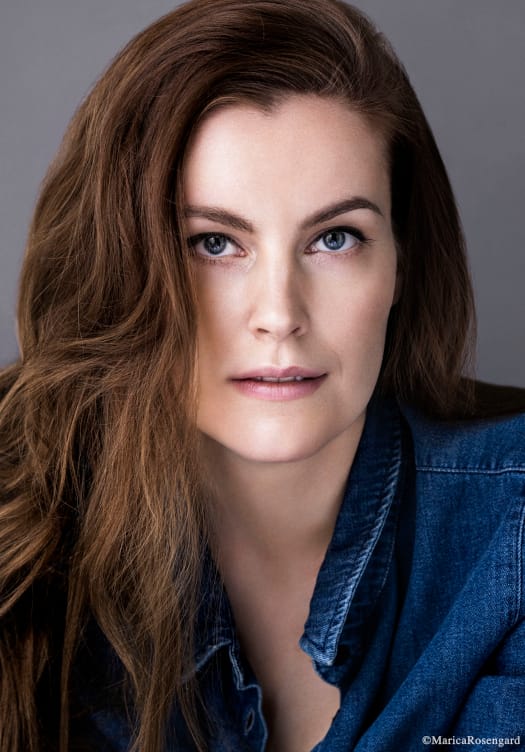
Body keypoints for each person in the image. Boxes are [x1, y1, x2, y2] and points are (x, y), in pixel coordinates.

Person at [0, 0, 524, 750]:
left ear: (402, 263)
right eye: (213, 243)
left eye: (335, 238)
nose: (279, 315)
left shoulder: (511, 533)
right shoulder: (21, 535)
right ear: (122, 264)